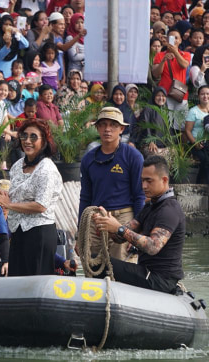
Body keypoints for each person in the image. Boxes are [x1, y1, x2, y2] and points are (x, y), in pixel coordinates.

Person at [91, 155, 185, 294]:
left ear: (164, 180)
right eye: (142, 180)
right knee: (95, 259)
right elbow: (121, 237)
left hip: (160, 279)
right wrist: (106, 224)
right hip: (146, 272)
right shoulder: (151, 206)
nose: (143, 186)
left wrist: (118, 227)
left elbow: (153, 246)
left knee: (100, 262)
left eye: (149, 181)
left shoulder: (169, 210)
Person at [0, 119, 62, 276]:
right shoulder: (17, 166)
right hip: (18, 232)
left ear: (44, 141)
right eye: (24, 136)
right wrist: (3, 197)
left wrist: (8, 205)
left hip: (40, 233)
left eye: (34, 137)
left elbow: (40, 206)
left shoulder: (47, 169)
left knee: (37, 284)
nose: (27, 141)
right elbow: (16, 197)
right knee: (17, 282)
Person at [79, 107, 145, 262]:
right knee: (92, 266)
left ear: (121, 129)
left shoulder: (133, 156)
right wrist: (80, 234)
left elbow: (139, 195)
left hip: (123, 217)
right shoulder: (88, 159)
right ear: (97, 128)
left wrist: (137, 233)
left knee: (121, 268)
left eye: (113, 125)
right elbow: (85, 198)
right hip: (96, 218)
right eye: (103, 124)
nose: (107, 129)